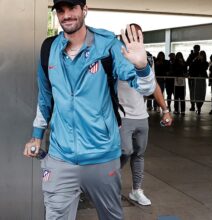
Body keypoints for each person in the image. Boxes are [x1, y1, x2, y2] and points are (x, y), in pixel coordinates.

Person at [23, 0, 156, 219]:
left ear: (85, 9)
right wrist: (37, 136)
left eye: (72, 8)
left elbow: (146, 87)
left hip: (102, 156)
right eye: (61, 10)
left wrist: (142, 67)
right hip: (60, 157)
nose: (66, 15)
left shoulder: (108, 46)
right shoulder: (49, 48)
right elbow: (45, 96)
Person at [118, 23, 173, 206]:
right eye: (132, 34)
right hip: (121, 115)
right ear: (124, 36)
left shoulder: (147, 58)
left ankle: (137, 190)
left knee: (139, 154)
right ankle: (106, 183)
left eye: (139, 35)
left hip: (141, 116)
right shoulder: (115, 55)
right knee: (125, 151)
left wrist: (165, 110)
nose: (136, 38)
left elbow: (153, 84)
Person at [187, 45, 201, 111]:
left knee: (197, 91)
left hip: (197, 76)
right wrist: (191, 56)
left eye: (197, 49)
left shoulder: (200, 56)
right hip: (191, 75)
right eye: (195, 49)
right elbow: (187, 63)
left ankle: (197, 106)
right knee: (192, 91)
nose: (196, 50)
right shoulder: (191, 55)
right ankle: (193, 105)